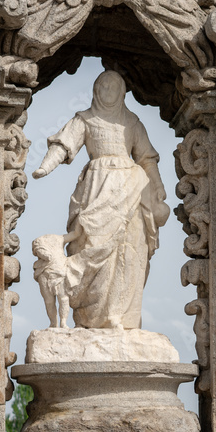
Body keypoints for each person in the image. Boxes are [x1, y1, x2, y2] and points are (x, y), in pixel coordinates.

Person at [33, 70, 170, 329]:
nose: (108, 91)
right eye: (103, 86)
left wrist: (159, 187)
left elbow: (146, 159)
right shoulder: (85, 119)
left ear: (122, 92)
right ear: (96, 90)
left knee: (127, 249)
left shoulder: (132, 122)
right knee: (90, 245)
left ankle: (121, 317)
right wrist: (45, 166)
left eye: (113, 87)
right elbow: (63, 144)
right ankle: (91, 318)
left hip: (132, 189)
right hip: (96, 190)